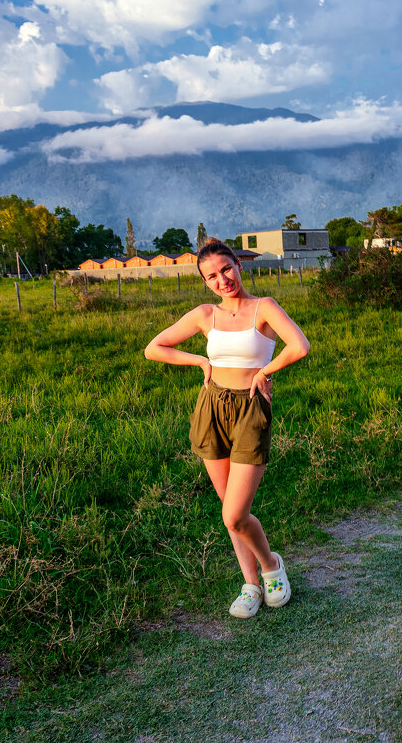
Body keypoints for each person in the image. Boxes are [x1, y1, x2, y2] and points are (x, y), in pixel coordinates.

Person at [144, 238, 310, 618]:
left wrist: (265, 372)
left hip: (251, 409)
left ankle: (271, 566)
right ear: (205, 282)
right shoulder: (205, 315)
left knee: (235, 514)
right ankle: (250, 584)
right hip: (212, 407)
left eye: (226, 269)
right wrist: (201, 362)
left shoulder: (263, 308)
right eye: (212, 276)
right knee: (227, 511)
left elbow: (299, 346)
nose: (222, 280)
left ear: (238, 264)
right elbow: (155, 347)